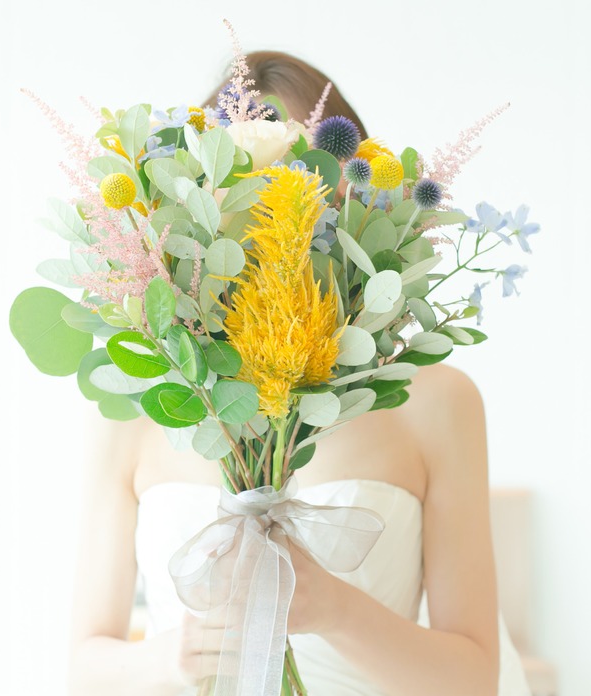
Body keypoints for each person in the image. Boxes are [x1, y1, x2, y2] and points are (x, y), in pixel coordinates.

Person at [66, 52, 532, 696]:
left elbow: (474, 679)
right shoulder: (141, 396)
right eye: (249, 187)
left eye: (303, 183)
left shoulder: (437, 401)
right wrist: (174, 657)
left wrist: (335, 610)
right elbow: (84, 664)